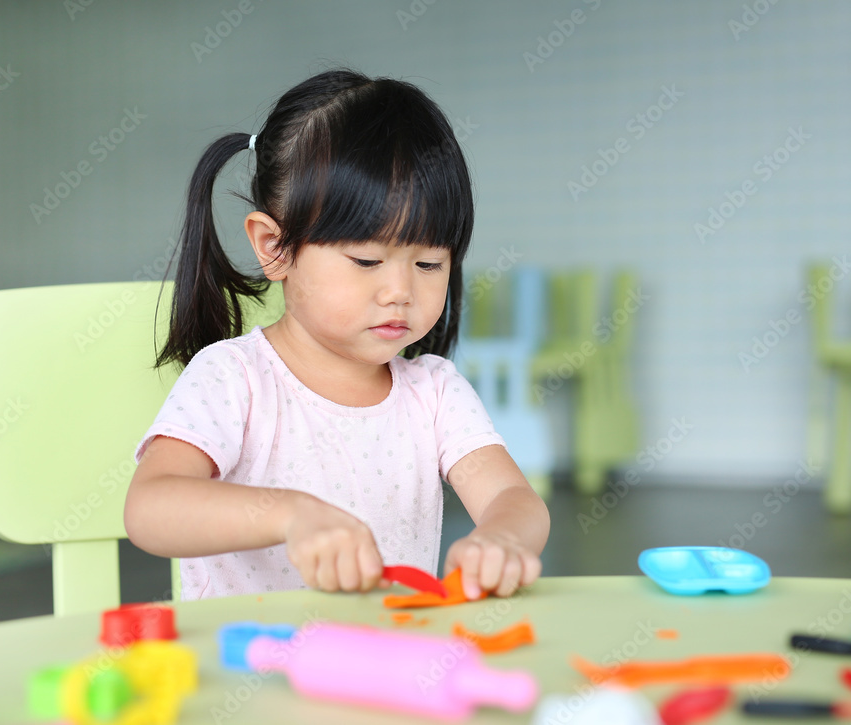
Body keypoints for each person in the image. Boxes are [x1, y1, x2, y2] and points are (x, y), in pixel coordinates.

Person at [124, 68, 550, 602]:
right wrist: (289, 514)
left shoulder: (434, 392)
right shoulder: (235, 380)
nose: (400, 290)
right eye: (367, 259)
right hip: (250, 672)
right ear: (275, 247)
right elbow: (150, 508)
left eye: (428, 262)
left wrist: (502, 537)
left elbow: (514, 497)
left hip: (386, 666)